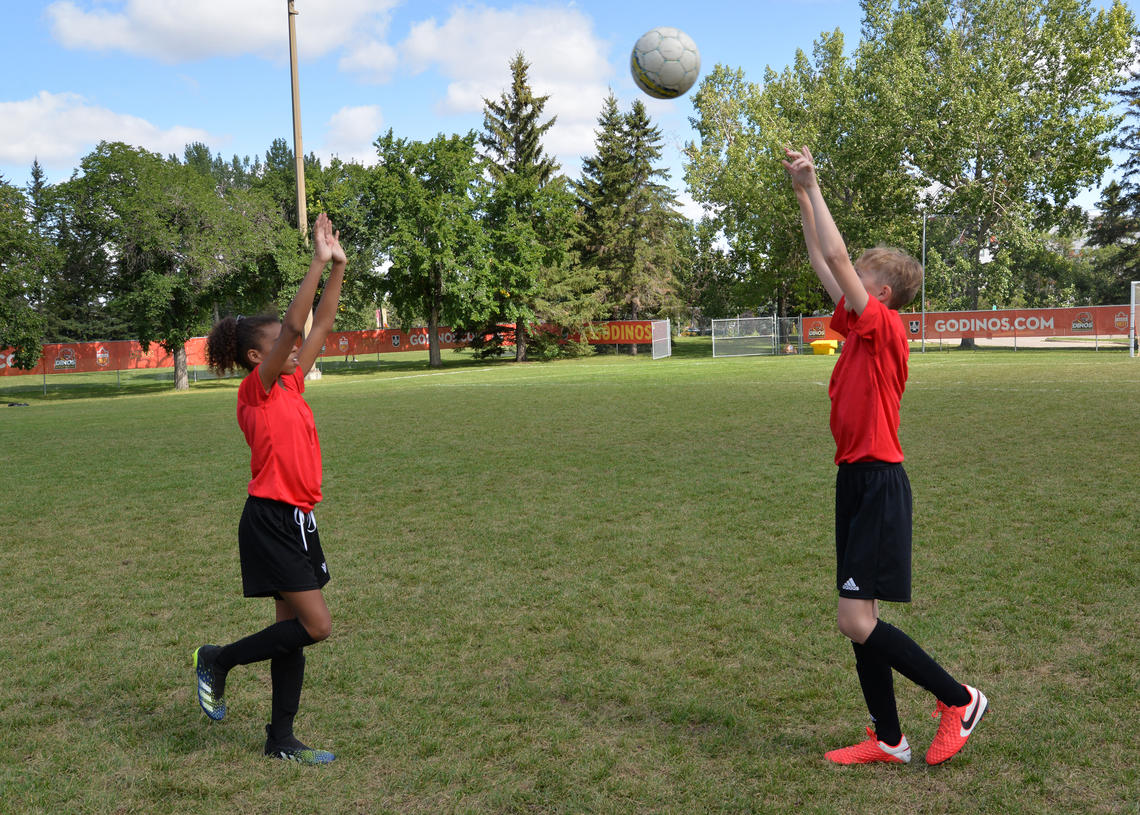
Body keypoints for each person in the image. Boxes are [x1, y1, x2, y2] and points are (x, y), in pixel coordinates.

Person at [783, 146, 987, 766]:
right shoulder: (857, 324)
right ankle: (890, 739)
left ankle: (960, 700)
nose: (848, 284)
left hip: (878, 481)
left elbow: (838, 257)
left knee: (854, 619)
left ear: (884, 291)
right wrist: (800, 199)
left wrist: (817, 185)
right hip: (854, 480)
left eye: (861, 279)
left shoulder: (886, 327)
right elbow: (825, 259)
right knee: (859, 616)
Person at [194, 212, 347, 765]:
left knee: (292, 630)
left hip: (299, 520)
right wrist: (314, 262)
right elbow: (291, 329)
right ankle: (219, 659)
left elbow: (319, 324)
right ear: (257, 356)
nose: (294, 343)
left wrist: (338, 269)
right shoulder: (256, 389)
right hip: (270, 518)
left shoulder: (291, 379)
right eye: (280, 343)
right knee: (316, 626)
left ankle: (280, 739)